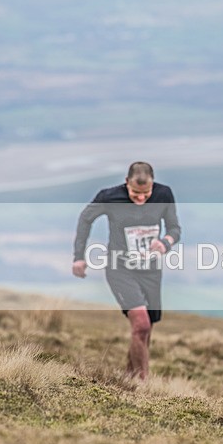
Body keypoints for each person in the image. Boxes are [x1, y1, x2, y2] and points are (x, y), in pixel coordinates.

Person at [72, 161, 181, 380]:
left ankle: (129, 377)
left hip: (150, 269)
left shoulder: (164, 194)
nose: (141, 199)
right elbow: (85, 219)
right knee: (140, 324)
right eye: (134, 193)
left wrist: (165, 243)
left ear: (153, 185)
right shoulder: (109, 197)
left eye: (146, 194)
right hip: (119, 268)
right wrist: (79, 257)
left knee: (146, 328)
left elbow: (174, 228)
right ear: (126, 183)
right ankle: (143, 384)